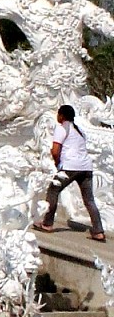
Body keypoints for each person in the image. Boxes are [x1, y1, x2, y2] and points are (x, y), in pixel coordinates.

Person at [36, 102, 105, 243]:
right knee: (89, 200)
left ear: (61, 116)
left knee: (53, 191)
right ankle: (98, 231)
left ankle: (47, 224)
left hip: (70, 166)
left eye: (58, 114)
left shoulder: (61, 128)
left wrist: (57, 163)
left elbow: (55, 150)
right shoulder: (79, 131)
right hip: (86, 167)